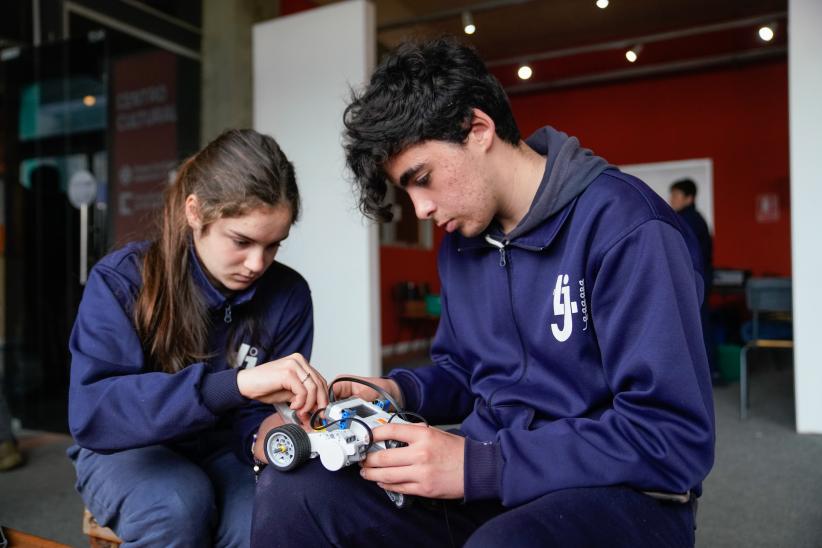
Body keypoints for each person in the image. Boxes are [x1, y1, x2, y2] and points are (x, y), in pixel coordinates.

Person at [251, 38, 714, 547]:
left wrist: (480, 464)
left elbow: (672, 437)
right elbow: (465, 373)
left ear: (478, 129)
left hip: (620, 491)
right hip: (491, 472)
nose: (420, 209)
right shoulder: (462, 244)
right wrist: (395, 392)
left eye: (422, 178)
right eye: (407, 191)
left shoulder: (627, 226)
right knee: (295, 489)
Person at [67, 129, 328, 547]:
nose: (257, 263)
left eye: (274, 245)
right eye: (241, 241)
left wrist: (273, 432)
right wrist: (233, 385)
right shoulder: (122, 281)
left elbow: (256, 421)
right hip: (126, 448)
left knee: (271, 519)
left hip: (226, 449)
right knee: (177, 504)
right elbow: (95, 413)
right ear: (195, 212)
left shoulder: (290, 295)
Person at [669, 178, 717, 382]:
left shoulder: (687, 220)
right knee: (699, 327)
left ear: (689, 198)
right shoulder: (695, 218)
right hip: (699, 280)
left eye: (677, 196)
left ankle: (703, 376)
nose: (672, 199)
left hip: (692, 282)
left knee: (695, 329)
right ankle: (709, 373)